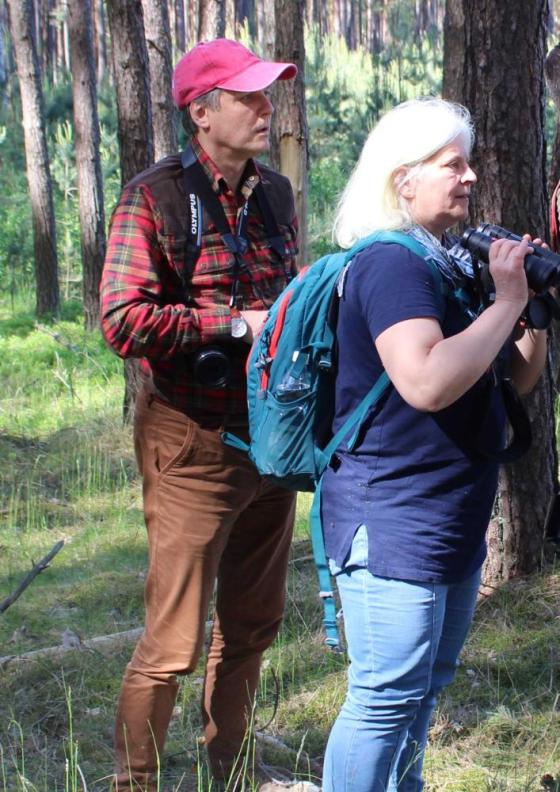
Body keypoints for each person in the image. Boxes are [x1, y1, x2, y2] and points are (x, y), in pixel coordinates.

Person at [319, 98, 547, 792]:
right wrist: (505, 304)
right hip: (393, 516)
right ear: (404, 178)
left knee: (424, 686)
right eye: (454, 164)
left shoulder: (444, 263)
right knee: (385, 696)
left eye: (467, 162)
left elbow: (513, 383)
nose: (471, 176)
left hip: (449, 511)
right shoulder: (392, 265)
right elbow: (425, 382)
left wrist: (530, 309)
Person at [100, 38, 299, 791]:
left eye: (267, 93)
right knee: (172, 642)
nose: (265, 107)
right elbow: (121, 320)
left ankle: (233, 771)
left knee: (252, 623)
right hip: (192, 439)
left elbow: (284, 296)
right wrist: (231, 325)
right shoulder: (152, 197)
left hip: (270, 437)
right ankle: (136, 783)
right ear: (202, 112)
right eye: (248, 96)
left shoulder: (274, 193)